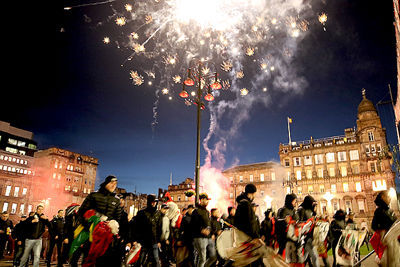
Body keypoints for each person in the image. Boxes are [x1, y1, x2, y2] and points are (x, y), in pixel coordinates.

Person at [77, 175, 122, 266]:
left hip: (106, 236)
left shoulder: (116, 200)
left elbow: (118, 218)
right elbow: (81, 212)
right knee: (88, 260)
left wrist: (114, 224)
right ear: (106, 183)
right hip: (91, 234)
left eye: (115, 183)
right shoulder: (94, 195)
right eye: (112, 183)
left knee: (103, 261)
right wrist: (88, 225)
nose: (114, 185)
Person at [234, 184, 263, 267]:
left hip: (242, 237)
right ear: (250, 194)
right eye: (254, 194)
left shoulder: (241, 203)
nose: (254, 196)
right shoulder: (246, 204)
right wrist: (256, 237)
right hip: (247, 237)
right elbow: (251, 222)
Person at [129, 194, 162, 267]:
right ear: (149, 202)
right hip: (143, 241)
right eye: (152, 202)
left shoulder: (158, 214)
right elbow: (135, 227)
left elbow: (159, 228)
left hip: (154, 241)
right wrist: (134, 239)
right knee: (140, 259)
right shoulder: (141, 213)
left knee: (156, 261)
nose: (154, 203)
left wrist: (159, 240)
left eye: (155, 202)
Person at [191, 193, 216, 267]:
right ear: (201, 200)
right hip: (199, 237)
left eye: (208, 200)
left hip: (208, 237)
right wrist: (201, 230)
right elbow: (193, 224)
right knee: (202, 258)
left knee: (213, 256)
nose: (207, 202)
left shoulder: (207, 212)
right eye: (206, 200)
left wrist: (212, 233)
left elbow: (209, 224)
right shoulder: (196, 211)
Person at [296, 195, 319, 267]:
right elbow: (299, 222)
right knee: (314, 256)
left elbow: (313, 219)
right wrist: (308, 223)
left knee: (304, 257)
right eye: (312, 202)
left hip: (311, 235)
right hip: (305, 236)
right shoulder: (301, 209)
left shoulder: (310, 209)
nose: (313, 204)